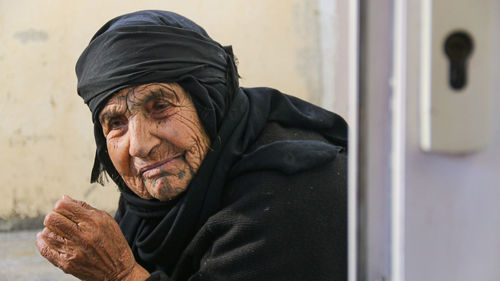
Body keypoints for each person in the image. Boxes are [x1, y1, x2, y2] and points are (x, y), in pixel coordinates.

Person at [36, 10, 348, 281]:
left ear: (208, 104)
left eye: (160, 107)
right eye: (116, 123)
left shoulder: (287, 195)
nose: (139, 146)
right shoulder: (150, 200)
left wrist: (120, 275)